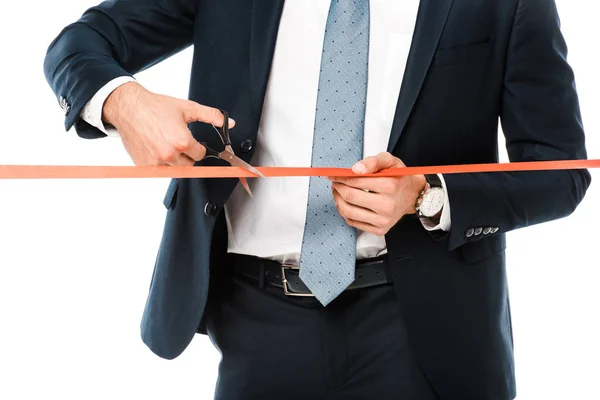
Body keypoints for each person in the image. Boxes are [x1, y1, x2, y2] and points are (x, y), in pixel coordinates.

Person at [43, 0, 591, 399]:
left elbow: (561, 171)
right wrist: (125, 103)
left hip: (426, 327)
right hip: (257, 320)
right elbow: (79, 45)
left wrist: (427, 197)